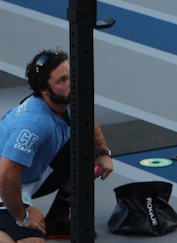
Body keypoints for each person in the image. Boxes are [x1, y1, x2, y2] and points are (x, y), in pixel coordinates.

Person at [0, 49, 114, 242]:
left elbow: (85, 118)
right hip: (5, 188)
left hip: (27, 180)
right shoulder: (34, 125)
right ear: (45, 90)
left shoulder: (65, 103)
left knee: (84, 152)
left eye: (71, 76)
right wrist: (23, 215)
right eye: (62, 81)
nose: (72, 83)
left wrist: (102, 152)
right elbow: (5, 176)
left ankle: (54, 220)